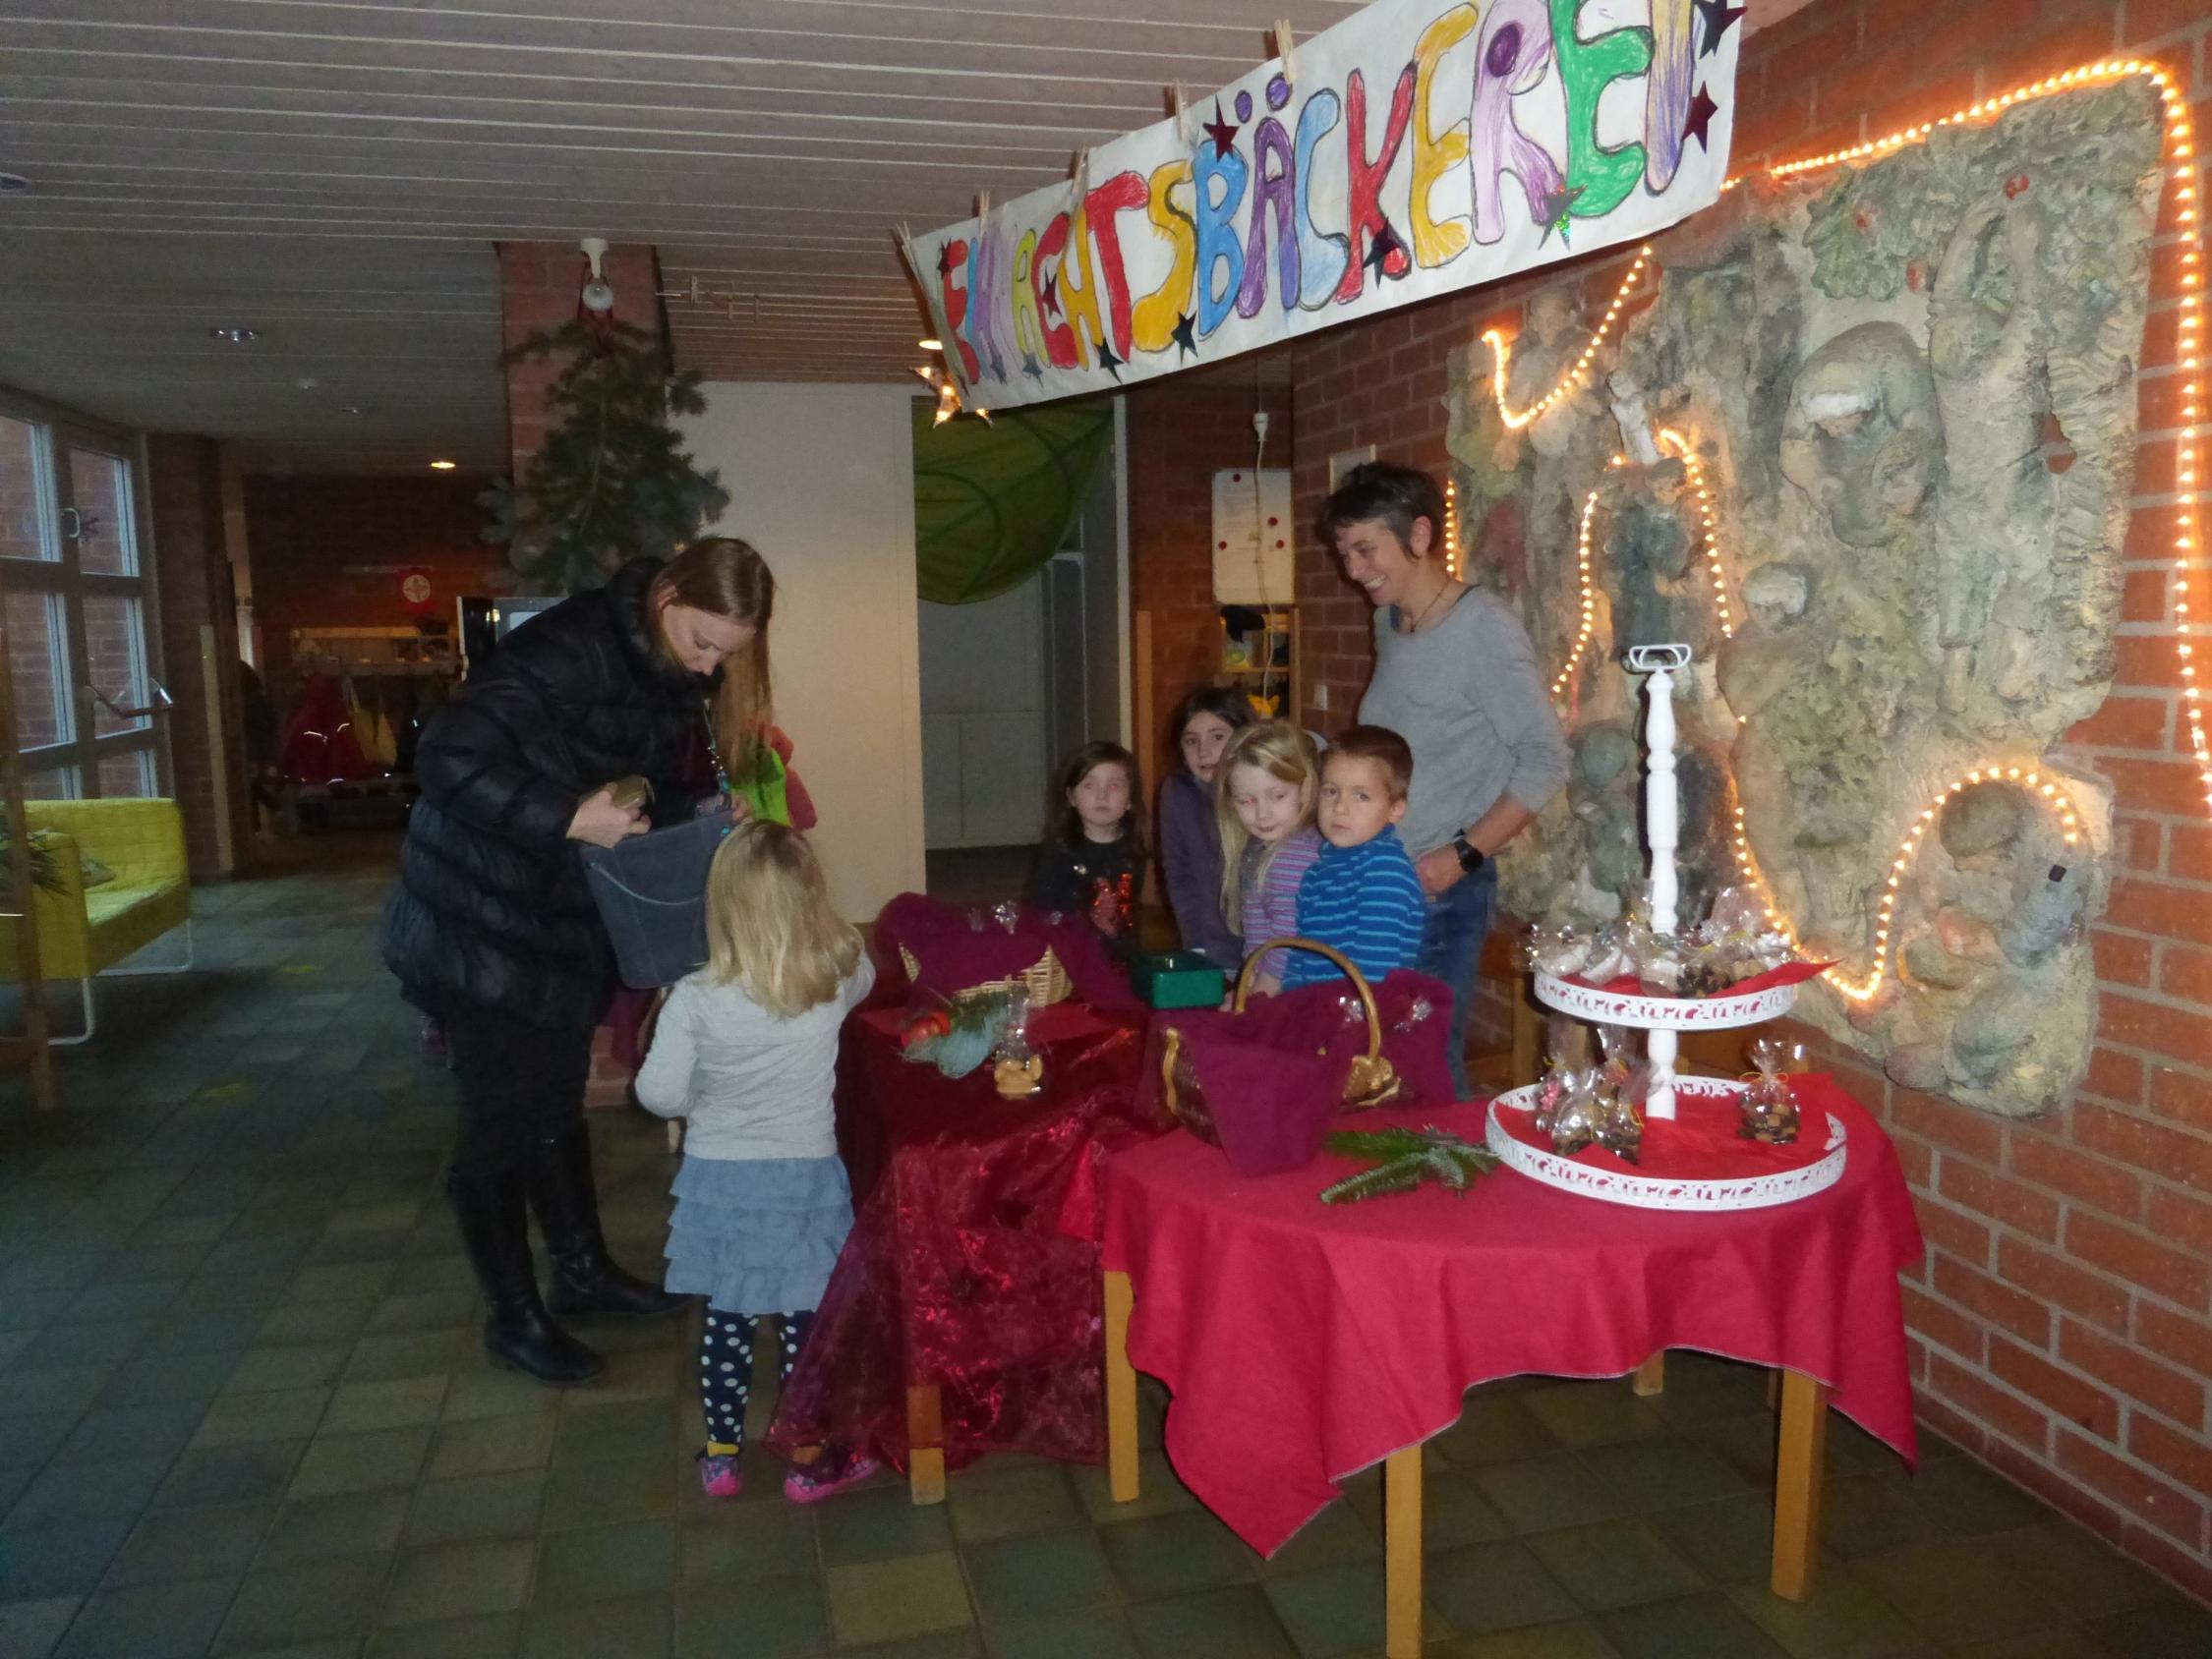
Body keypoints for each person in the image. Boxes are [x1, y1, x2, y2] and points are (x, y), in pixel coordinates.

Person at [382, 538, 776, 1387]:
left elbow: (624, 783)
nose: (708, 664)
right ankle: (514, 1317)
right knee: (497, 1124)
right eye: (701, 641)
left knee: (552, 1098)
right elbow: (446, 756)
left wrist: (703, 804)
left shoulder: (662, 664)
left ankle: (582, 1273)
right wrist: (565, 815)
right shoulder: (571, 648)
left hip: (550, 910)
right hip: (476, 913)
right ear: (667, 595)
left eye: (725, 654)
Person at [634, 820, 881, 1503]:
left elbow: (657, 1095)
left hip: (722, 1182)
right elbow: (864, 965)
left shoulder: (694, 999)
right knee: (805, 1325)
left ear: (723, 906)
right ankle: (805, 1460)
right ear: (810, 900)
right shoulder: (831, 982)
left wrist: (691, 1079)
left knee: (728, 1324)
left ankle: (721, 1456)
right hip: (803, 1179)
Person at [1323, 462, 1571, 1094]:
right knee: (1370, 1059)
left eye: (1365, 549)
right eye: (1344, 552)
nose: (1353, 569)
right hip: (1378, 877)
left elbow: (1546, 758)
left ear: (1421, 534)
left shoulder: (1481, 627)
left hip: (1441, 889)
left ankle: (1454, 1186)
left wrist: (1458, 858)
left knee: (1425, 1065)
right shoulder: (1390, 623)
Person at [1281, 726, 1428, 990]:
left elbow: (1374, 969)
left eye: (1361, 796)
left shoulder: (1385, 869)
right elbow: (1299, 955)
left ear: (1395, 809)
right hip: (1317, 1014)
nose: (1340, 808)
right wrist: (1291, 1008)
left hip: (1367, 1020)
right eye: (1331, 791)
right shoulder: (1316, 873)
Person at [1215, 721, 1323, 998]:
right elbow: (1259, 935)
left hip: (1293, 991)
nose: (1262, 814)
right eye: (1246, 801)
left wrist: (1258, 995)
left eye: (1277, 796)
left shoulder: (1294, 857)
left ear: (1305, 787)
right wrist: (1247, 983)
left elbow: (1286, 942)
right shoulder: (1263, 849)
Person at [1158, 687, 1253, 970]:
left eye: (1218, 736)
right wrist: (1196, 945)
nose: (1204, 751)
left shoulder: (1266, 794)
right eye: (1191, 741)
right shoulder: (1177, 793)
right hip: (1214, 948)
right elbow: (1180, 875)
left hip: (1270, 951)